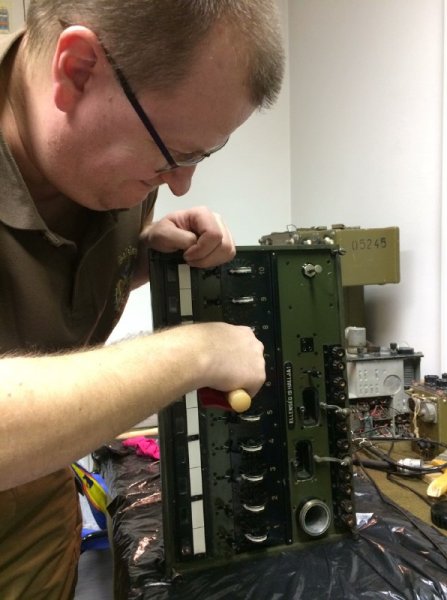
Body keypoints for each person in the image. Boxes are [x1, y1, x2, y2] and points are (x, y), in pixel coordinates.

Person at [0, 0, 284, 597]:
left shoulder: (102, 160)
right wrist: (196, 352)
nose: (180, 183)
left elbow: (46, 294)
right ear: (77, 70)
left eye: (201, 156)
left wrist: (141, 259)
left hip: (40, 493)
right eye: (174, 154)